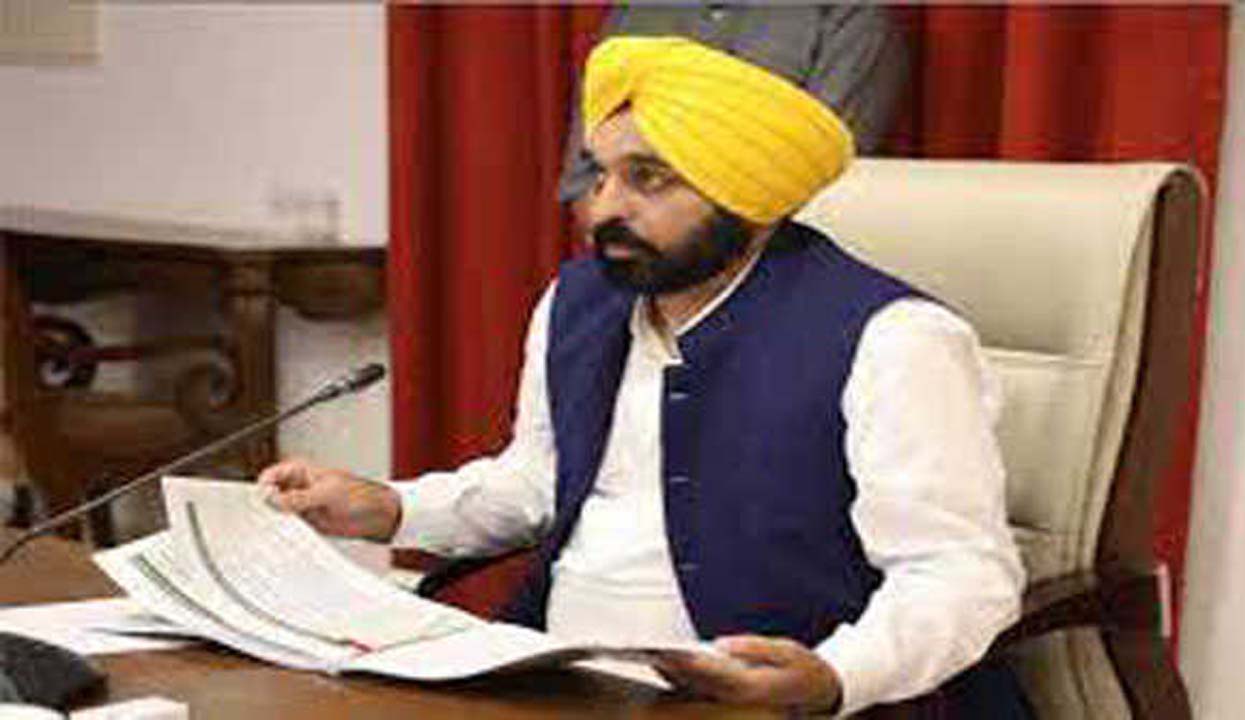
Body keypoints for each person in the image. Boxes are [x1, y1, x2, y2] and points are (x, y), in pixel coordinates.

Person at [260, 37, 1027, 717]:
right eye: (600, 175)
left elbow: (961, 574)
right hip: (552, 679)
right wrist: (392, 508)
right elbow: (538, 484)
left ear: (750, 196)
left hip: (764, 703)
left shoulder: (895, 338)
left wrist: (832, 676)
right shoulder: (577, 302)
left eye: (648, 179)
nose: (603, 209)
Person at [558, 3, 909, 231]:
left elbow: (822, 175)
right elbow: (584, 177)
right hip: (640, 271)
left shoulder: (850, 14)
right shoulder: (637, 10)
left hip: (773, 274)